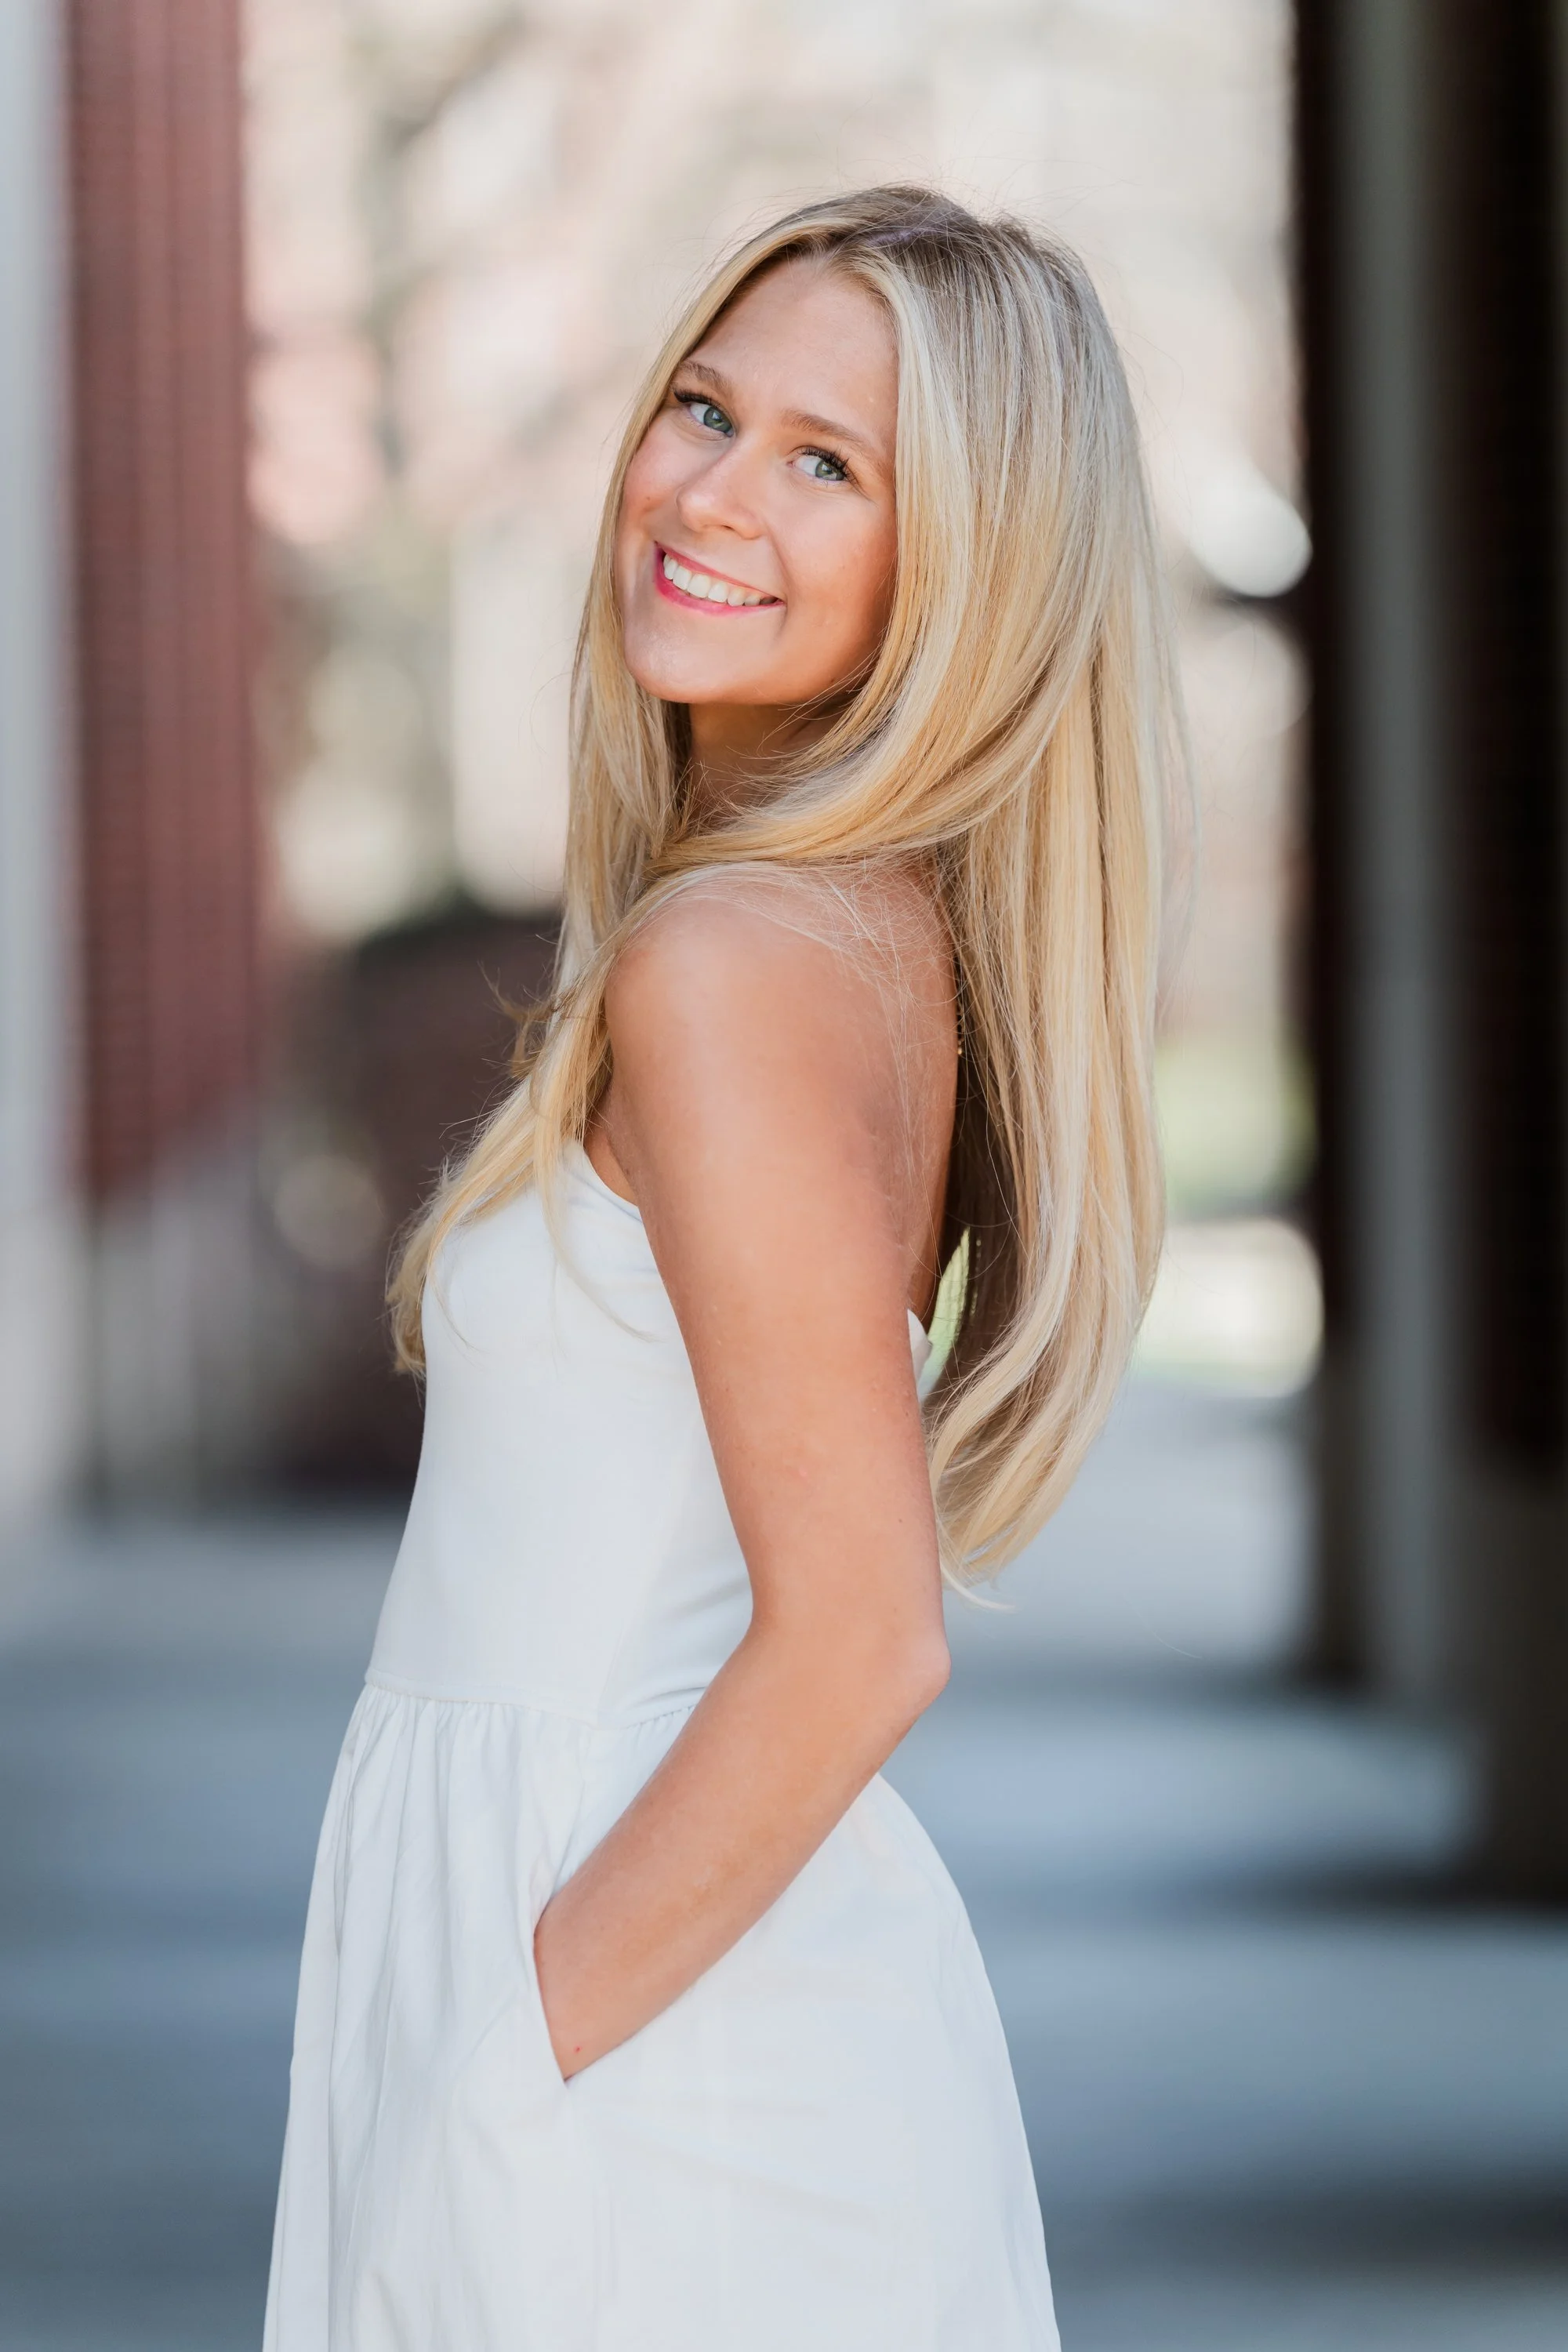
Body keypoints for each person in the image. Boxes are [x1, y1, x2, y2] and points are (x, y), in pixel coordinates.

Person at [263, 184, 1180, 2351]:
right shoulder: (839, 935)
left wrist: (498, 2079)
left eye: (828, 462)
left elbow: (862, 1637)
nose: (711, 493)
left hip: (643, 2064)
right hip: (659, 2008)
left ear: (961, 569)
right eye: (704, 406)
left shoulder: (733, 965)